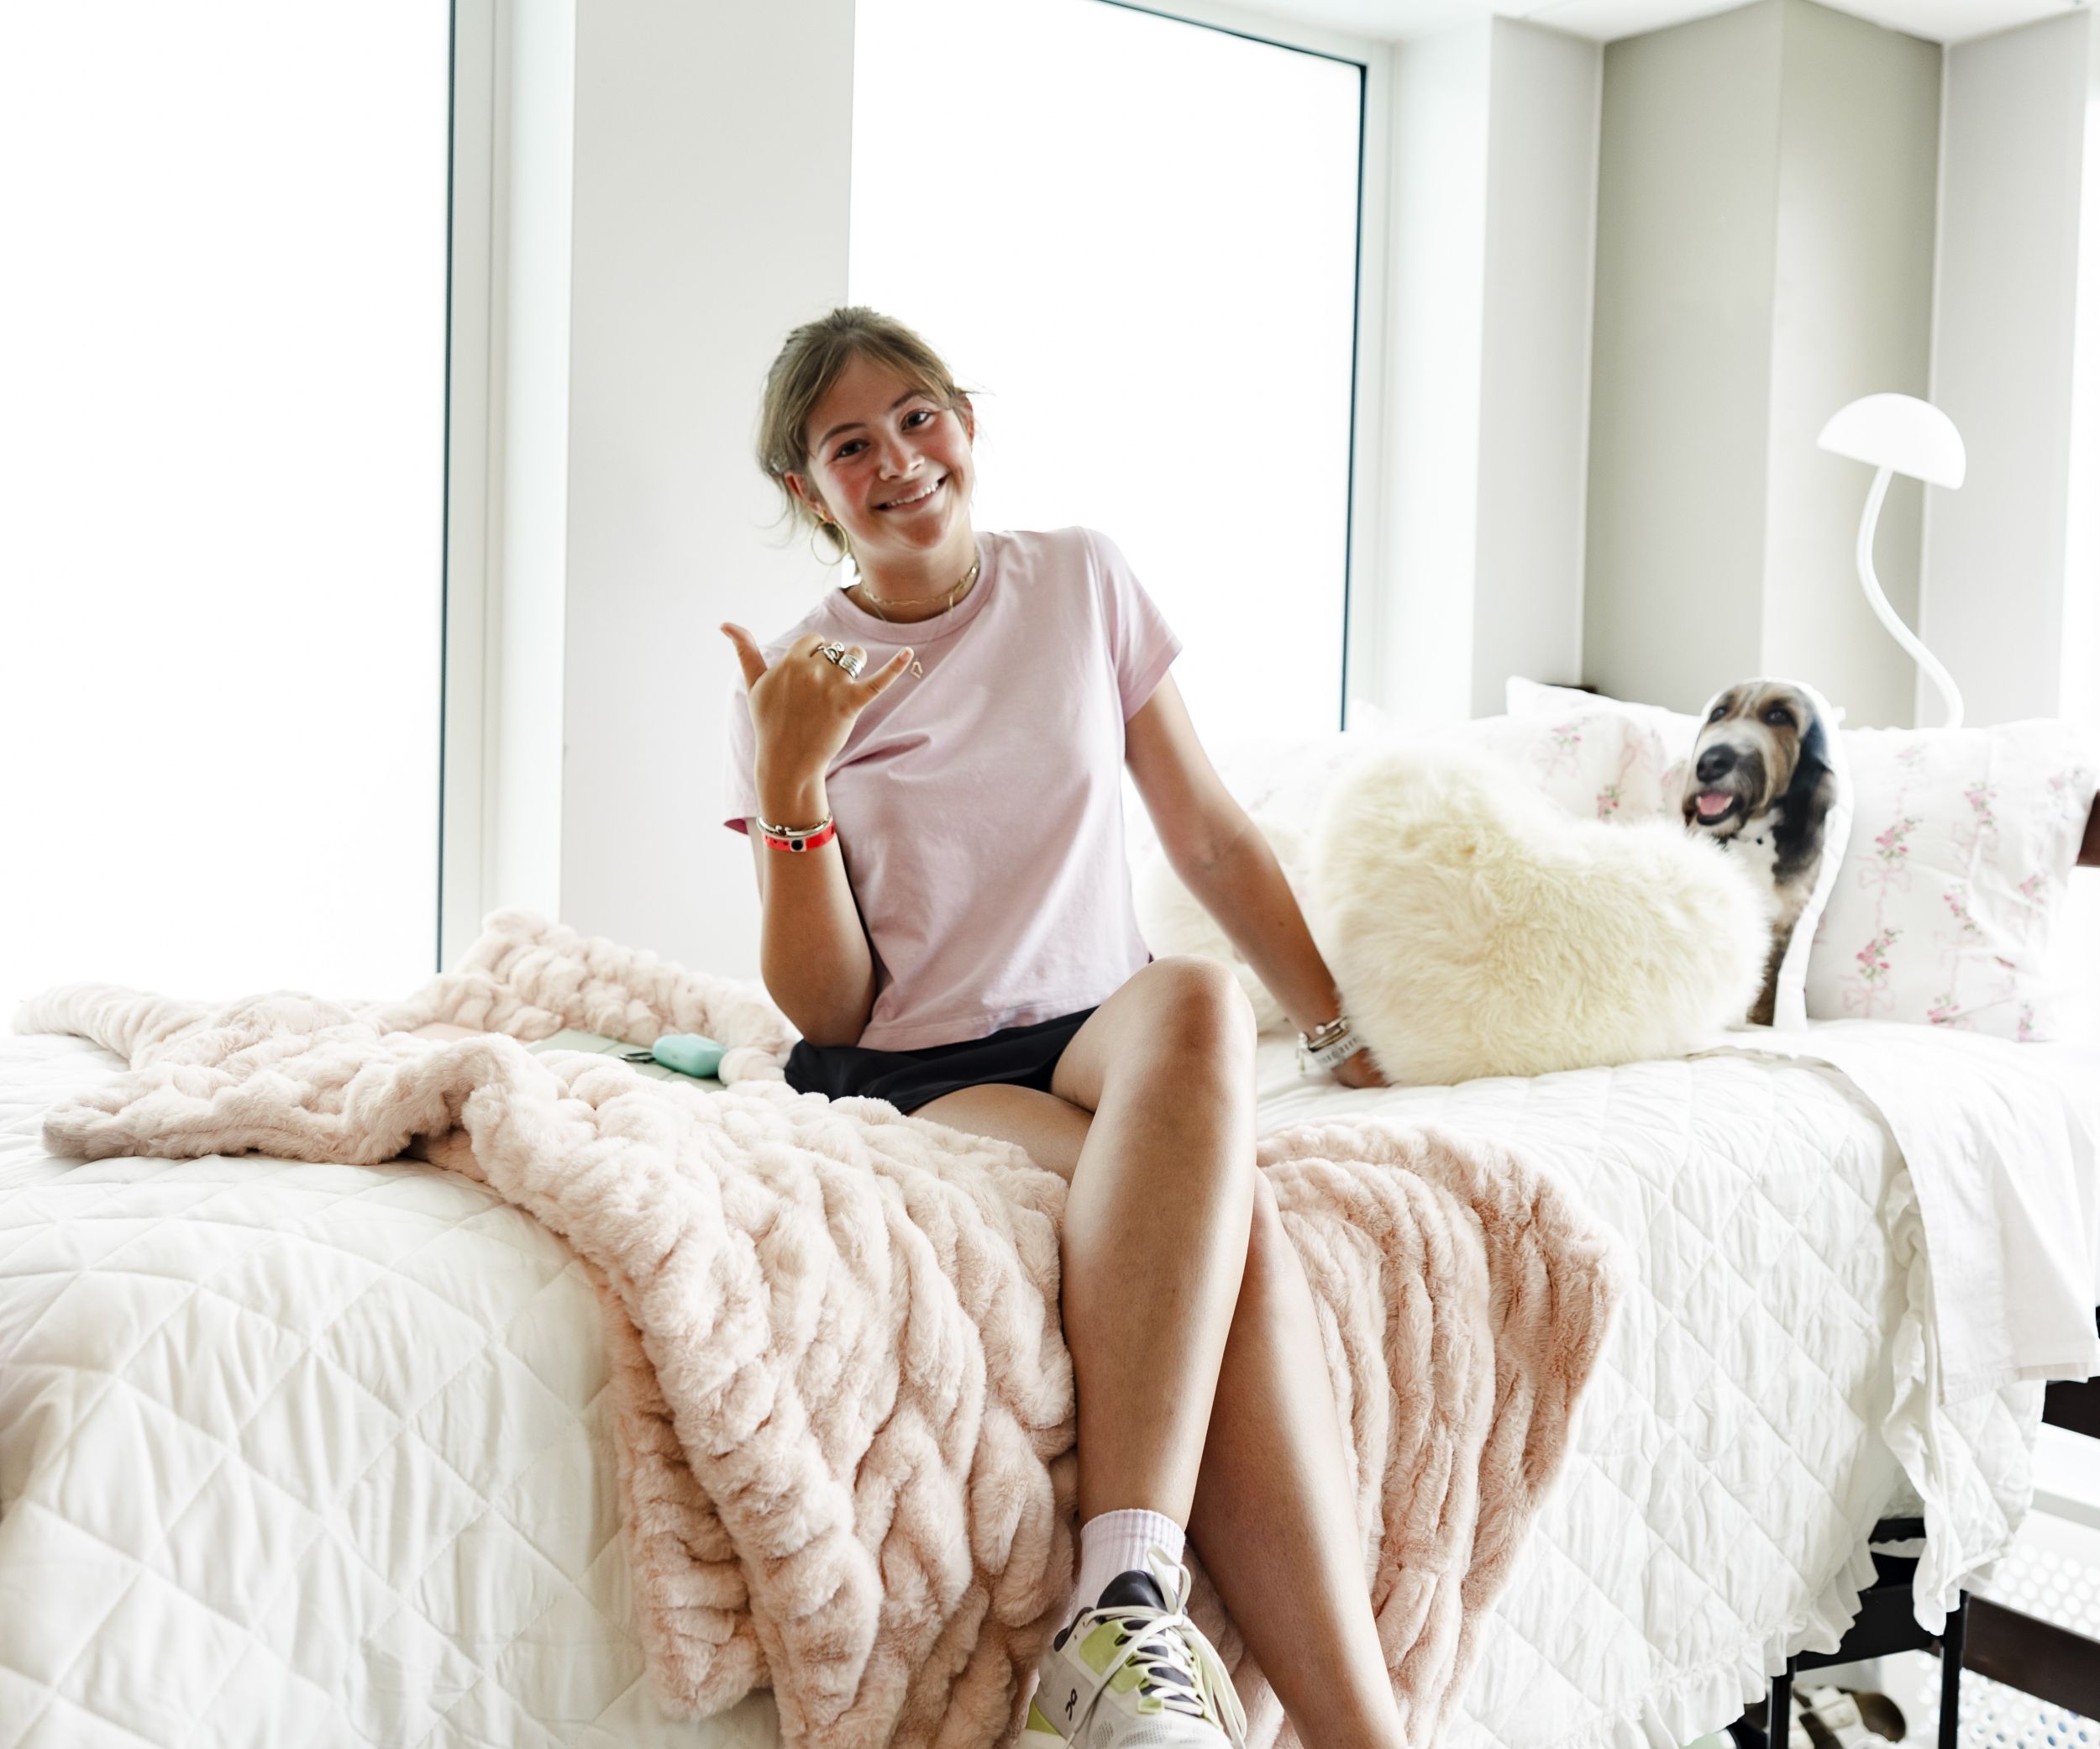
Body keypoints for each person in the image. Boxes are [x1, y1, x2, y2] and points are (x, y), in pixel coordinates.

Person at [720, 307, 1396, 1749]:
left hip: (1097, 1020)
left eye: (919, 417)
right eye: (851, 446)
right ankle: (1242, 1668)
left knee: (1198, 994)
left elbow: (1207, 834)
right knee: (1230, 1239)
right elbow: (829, 1004)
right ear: (809, 491)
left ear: (966, 421)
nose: (900, 459)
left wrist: (1339, 1033)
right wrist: (793, 784)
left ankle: (1123, 1616)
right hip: (919, 1066)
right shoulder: (800, 678)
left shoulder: (1082, 580)